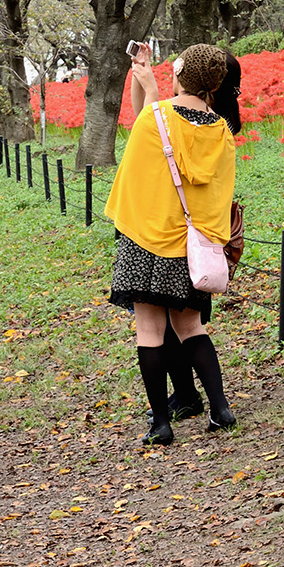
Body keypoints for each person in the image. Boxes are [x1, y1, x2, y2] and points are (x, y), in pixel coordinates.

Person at [104, 44, 238, 445]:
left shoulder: (156, 117)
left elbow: (141, 135)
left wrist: (148, 85)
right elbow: (218, 193)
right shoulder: (221, 131)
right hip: (192, 246)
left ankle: (161, 423)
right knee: (191, 327)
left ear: (178, 74)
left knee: (148, 329)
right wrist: (149, 84)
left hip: (145, 237)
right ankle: (220, 408)